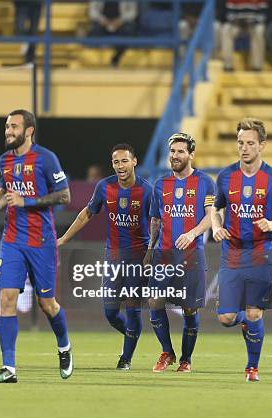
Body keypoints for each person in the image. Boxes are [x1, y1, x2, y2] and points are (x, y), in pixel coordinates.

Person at [0, 109, 73, 383]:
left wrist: (28, 202)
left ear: (29, 130)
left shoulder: (46, 158)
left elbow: (65, 195)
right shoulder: (4, 160)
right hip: (12, 240)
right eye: (6, 126)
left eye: (13, 127)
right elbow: (6, 188)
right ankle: (8, 368)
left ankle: (64, 347)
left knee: (47, 304)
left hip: (41, 242)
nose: (8, 131)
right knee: (7, 298)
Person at [212, 118, 272, 382]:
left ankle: (252, 367)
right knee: (227, 318)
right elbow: (216, 208)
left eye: (250, 143)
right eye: (240, 143)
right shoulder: (226, 176)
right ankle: (241, 318)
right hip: (231, 253)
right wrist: (216, 226)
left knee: (255, 312)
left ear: (262, 145)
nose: (244, 148)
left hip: (262, 252)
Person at [58, 143, 152, 370]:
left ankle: (125, 358)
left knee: (132, 307)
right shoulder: (104, 186)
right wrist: (63, 239)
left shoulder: (147, 190)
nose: (120, 166)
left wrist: (153, 252)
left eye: (124, 161)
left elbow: (159, 223)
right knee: (110, 312)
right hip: (113, 256)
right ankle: (133, 334)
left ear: (134, 162)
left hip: (138, 257)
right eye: (116, 162)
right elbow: (86, 214)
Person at [144, 133, 216, 373]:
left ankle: (186, 359)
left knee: (189, 308)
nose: (175, 156)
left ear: (191, 154)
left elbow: (212, 216)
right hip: (163, 254)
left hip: (192, 254)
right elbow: (155, 219)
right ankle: (167, 352)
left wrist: (192, 233)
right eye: (172, 151)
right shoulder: (160, 185)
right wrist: (149, 249)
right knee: (154, 301)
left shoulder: (205, 182)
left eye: (180, 151)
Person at [220, 0, 269, 71]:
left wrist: (255, 21)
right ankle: (228, 65)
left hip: (253, 24)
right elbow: (229, 12)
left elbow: (263, 13)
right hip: (237, 24)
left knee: (259, 30)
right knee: (226, 29)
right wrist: (235, 21)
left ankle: (257, 66)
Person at [88, 1, 138, 68]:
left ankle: (116, 58)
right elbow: (92, 11)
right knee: (94, 30)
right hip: (102, 23)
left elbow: (133, 12)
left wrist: (121, 20)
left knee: (128, 31)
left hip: (121, 23)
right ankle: (96, 61)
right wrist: (102, 20)